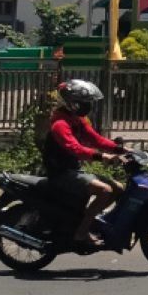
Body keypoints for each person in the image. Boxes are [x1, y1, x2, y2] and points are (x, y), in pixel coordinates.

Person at [43, 79, 125, 246]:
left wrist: (120, 149)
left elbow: (95, 139)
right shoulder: (60, 124)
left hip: (74, 170)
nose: (88, 105)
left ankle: (91, 221)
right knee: (105, 190)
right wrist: (102, 157)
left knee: (118, 188)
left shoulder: (78, 120)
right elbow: (76, 149)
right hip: (61, 173)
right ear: (72, 103)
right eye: (84, 102)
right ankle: (81, 232)